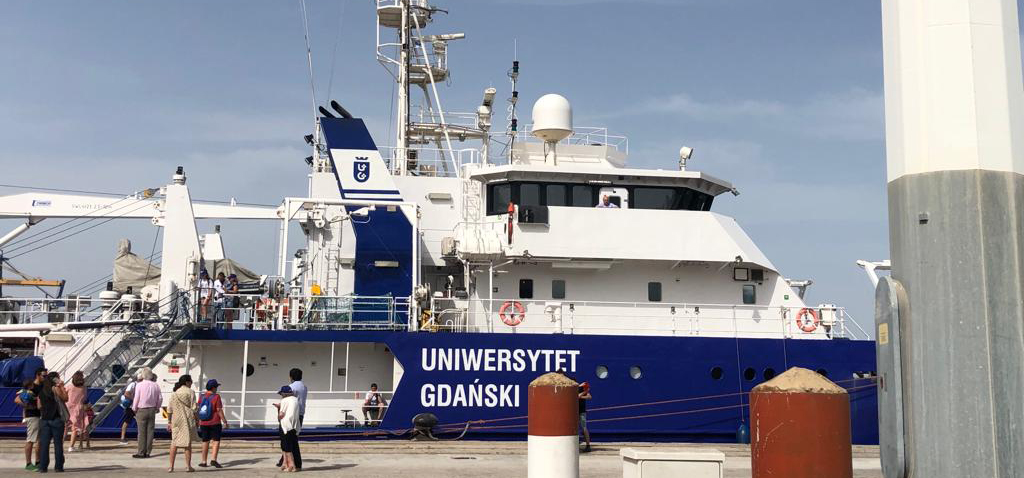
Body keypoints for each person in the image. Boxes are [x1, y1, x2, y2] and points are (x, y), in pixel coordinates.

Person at [37, 371, 69, 473]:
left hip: (44, 420)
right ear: (55, 379)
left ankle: (43, 467)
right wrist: (62, 386)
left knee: (44, 445)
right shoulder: (55, 388)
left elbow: (39, 406)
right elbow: (65, 398)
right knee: (58, 444)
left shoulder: (41, 390)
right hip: (56, 419)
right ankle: (58, 467)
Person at [167, 375, 199, 473]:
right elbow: (194, 408)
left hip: (176, 419)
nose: (192, 383)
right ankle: (188, 466)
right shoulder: (191, 392)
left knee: (174, 442)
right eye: (191, 381)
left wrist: (169, 422)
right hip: (187, 419)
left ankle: (171, 467)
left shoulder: (175, 393)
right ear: (187, 382)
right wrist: (197, 420)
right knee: (187, 443)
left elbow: (169, 409)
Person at [15, 368, 45, 471]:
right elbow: (17, 399)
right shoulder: (31, 386)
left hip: (41, 415)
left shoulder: (43, 386)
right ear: (38, 375)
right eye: (43, 376)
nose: (45, 378)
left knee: (39, 440)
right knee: (31, 439)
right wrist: (26, 405)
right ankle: (28, 464)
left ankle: (38, 462)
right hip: (32, 415)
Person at [276, 368, 306, 469]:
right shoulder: (304, 387)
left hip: (289, 415)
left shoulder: (291, 387)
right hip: (300, 414)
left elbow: (286, 401)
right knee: (293, 438)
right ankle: (285, 461)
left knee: (287, 438)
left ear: (291, 377)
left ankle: (293, 463)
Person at [197, 379, 228, 468]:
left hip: (203, 422)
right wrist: (225, 421)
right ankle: (213, 460)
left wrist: (198, 420)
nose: (217, 389)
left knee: (205, 441)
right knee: (216, 441)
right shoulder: (216, 397)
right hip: (215, 422)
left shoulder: (202, 396)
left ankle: (203, 461)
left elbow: (199, 409)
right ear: (214, 387)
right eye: (216, 387)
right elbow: (219, 410)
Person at [132, 368, 162, 459]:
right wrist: (157, 407)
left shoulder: (139, 385)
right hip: (152, 409)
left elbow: (137, 397)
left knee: (141, 432)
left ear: (143, 375)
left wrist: (134, 408)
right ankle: (148, 452)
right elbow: (160, 398)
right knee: (150, 431)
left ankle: (141, 452)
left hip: (142, 409)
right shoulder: (156, 385)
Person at [274, 386, 300, 473]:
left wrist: (278, 408)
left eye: (281, 394)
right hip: (294, 425)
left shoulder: (284, 400)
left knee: (286, 445)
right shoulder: (295, 399)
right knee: (290, 444)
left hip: (285, 425)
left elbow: (281, 415)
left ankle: (292, 465)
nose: (281, 395)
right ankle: (285, 463)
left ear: (284, 393)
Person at [65, 371, 87, 453]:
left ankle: (61, 442)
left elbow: (64, 395)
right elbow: (84, 398)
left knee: (65, 426)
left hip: (68, 407)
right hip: (78, 408)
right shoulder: (84, 388)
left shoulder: (69, 387)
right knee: (75, 428)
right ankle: (71, 446)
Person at [118, 375, 139, 446]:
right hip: (131, 406)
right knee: (127, 421)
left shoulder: (140, 384)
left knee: (139, 422)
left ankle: (140, 437)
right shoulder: (133, 384)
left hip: (137, 406)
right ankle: (122, 438)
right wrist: (134, 399)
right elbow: (126, 394)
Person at [578, 381, 592, 453]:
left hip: (581, 412)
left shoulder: (580, 390)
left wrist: (582, 395)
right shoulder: (579, 389)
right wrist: (584, 392)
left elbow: (589, 396)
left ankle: (588, 445)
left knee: (584, 427)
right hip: (576, 412)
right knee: (579, 428)